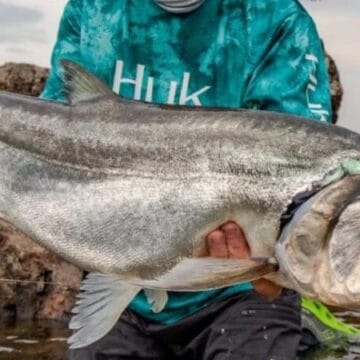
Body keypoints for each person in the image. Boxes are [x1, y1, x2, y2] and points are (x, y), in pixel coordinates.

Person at [41, 1, 334, 358]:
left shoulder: (277, 21)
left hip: (243, 295)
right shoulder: (92, 10)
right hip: (125, 290)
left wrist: (267, 275)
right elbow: (53, 139)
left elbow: (308, 194)